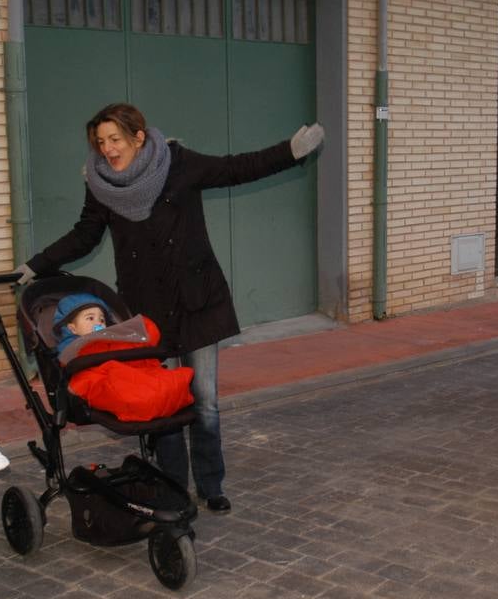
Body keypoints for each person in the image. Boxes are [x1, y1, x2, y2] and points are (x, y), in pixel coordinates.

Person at [16, 104, 324, 513]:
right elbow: (85, 234)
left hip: (197, 298)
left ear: (138, 137)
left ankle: (211, 484)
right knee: (161, 398)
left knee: (204, 399)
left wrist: (291, 151)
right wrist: (36, 265)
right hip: (146, 310)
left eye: (115, 140)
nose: (107, 149)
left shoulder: (177, 163)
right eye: (101, 142)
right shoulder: (101, 183)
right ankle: (173, 484)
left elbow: (235, 168)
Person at [51, 292, 194, 424]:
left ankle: (158, 393)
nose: (99, 322)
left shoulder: (112, 340)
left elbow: (140, 344)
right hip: (114, 381)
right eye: (90, 318)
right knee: (145, 395)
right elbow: (84, 379)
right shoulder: (74, 353)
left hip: (135, 373)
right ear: (72, 328)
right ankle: (154, 396)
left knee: (168, 382)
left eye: (102, 319)